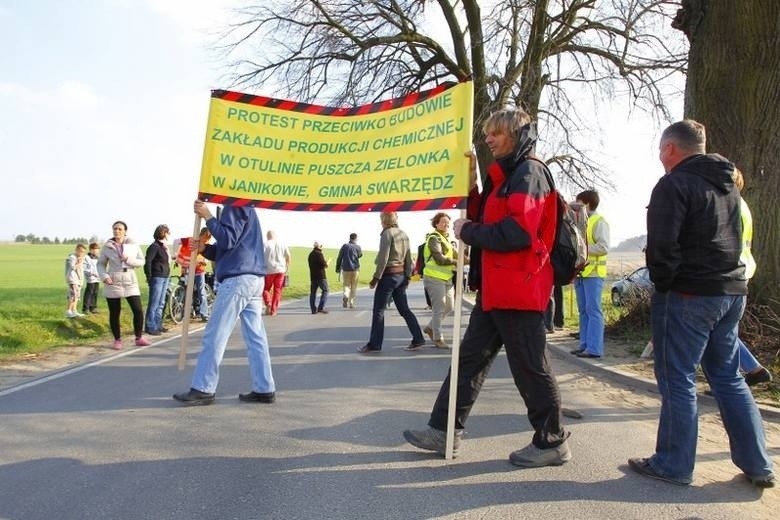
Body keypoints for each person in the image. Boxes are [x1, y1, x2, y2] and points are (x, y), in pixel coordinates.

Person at [403, 108, 571, 467]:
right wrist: (471, 189)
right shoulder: (507, 177)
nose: (488, 139)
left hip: (520, 290)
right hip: (497, 291)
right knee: (467, 362)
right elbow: (488, 215)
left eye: (496, 133)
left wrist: (467, 231)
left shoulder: (530, 173)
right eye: (487, 133)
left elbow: (518, 232)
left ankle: (551, 441)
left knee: (531, 367)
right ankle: (442, 430)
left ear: (516, 134)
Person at [628, 119, 774, 488]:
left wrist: (664, 284)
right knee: (727, 376)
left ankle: (674, 463)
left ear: (670, 149)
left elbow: (662, 247)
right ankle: (758, 463)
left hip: (689, 294)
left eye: (661, 149)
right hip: (731, 292)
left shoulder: (673, 184)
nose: (660, 156)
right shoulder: (728, 186)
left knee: (677, 377)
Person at [173, 200, 276, 406]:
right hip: (253, 278)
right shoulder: (245, 206)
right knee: (256, 338)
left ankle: (204, 387)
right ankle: (264, 388)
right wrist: (205, 248)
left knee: (215, 334)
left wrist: (208, 216)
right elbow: (233, 245)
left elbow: (228, 240)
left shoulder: (234, 205)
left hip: (238, 278)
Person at [358, 211, 425, 353]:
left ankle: (374, 344)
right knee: (404, 310)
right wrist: (407, 277)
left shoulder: (386, 234)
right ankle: (418, 338)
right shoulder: (404, 234)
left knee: (378, 311)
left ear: (384, 220)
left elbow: (383, 258)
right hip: (401, 276)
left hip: (388, 276)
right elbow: (408, 258)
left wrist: (376, 278)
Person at [97, 221, 150, 350]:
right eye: (115, 229)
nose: (117, 231)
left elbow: (142, 261)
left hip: (129, 279)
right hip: (113, 279)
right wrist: (105, 276)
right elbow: (100, 264)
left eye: (120, 229)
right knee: (114, 312)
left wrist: (128, 260)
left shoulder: (133, 245)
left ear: (125, 231)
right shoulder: (107, 246)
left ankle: (139, 337)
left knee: (138, 310)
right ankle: (117, 339)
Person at [571, 190, 609, 358]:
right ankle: (584, 345)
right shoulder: (580, 222)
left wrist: (582, 249)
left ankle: (594, 348)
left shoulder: (599, 222)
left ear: (586, 204)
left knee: (593, 310)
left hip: (593, 274)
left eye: (578, 203)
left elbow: (603, 247)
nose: (576, 207)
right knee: (584, 311)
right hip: (581, 273)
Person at [418, 212, 456, 350]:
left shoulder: (446, 239)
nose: (446, 224)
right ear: (436, 223)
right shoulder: (434, 238)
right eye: (443, 222)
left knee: (449, 306)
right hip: (434, 278)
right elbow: (439, 259)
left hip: (446, 278)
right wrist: (457, 261)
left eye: (448, 222)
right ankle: (438, 338)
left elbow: (458, 256)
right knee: (439, 308)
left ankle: (430, 328)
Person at [175, 228, 211, 321]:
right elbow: (176, 241)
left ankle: (204, 313)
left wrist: (204, 261)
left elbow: (207, 257)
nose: (207, 240)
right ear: (202, 235)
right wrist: (175, 254)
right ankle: (184, 314)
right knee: (187, 292)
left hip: (199, 271)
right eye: (206, 238)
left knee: (201, 292)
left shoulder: (206, 244)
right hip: (188, 270)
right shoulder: (190, 240)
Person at [143, 224, 171, 336]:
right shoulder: (154, 246)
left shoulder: (163, 247)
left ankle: (158, 324)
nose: (169, 235)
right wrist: (149, 278)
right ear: (163, 233)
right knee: (154, 303)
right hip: (157, 277)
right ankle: (150, 326)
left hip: (165, 277)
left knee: (161, 302)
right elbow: (148, 262)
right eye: (168, 233)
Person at [262, 230, 291, 316]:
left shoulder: (265, 244)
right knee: (277, 290)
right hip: (281, 270)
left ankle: (268, 303)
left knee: (265, 288)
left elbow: (260, 256)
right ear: (275, 236)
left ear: (267, 236)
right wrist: (287, 267)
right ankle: (274, 310)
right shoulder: (283, 244)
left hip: (268, 270)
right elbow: (288, 256)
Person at [335, 232, 362, 309]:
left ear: (350, 238)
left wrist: (337, 268)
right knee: (354, 286)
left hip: (346, 269)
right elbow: (360, 255)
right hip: (355, 269)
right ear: (356, 238)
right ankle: (351, 303)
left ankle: (345, 296)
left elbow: (339, 257)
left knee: (346, 285)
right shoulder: (358, 247)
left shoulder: (344, 246)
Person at [65, 243, 86, 318]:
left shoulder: (80, 258)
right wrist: (79, 262)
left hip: (78, 280)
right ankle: (68, 311)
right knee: (73, 295)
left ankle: (74, 310)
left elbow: (81, 270)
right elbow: (73, 267)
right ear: (76, 250)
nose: (81, 253)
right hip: (72, 279)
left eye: (83, 252)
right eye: (80, 251)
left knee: (77, 296)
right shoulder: (72, 257)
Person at [307, 241, 329, 314]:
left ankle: (313, 309)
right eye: (321, 246)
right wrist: (327, 263)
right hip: (321, 276)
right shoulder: (319, 254)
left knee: (313, 293)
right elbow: (324, 265)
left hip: (313, 276)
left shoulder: (310, 254)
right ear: (319, 246)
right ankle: (321, 307)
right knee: (325, 290)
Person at [82, 243, 100, 314]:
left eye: (98, 250)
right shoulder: (86, 257)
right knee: (89, 293)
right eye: (96, 249)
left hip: (97, 278)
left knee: (95, 293)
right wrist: (92, 273)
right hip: (91, 278)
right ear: (91, 250)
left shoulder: (97, 258)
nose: (97, 251)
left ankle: (93, 307)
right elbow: (85, 268)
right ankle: (85, 308)